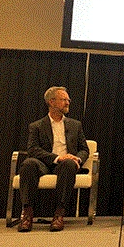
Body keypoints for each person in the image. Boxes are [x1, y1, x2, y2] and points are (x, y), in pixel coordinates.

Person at [17, 86, 89, 232]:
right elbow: (32, 149)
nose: (68, 102)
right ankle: (27, 213)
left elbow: (84, 149)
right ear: (51, 102)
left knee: (69, 164)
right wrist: (57, 157)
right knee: (28, 163)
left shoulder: (75, 125)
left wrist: (77, 158)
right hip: (44, 163)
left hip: (65, 165)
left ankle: (59, 213)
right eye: (63, 100)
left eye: (68, 100)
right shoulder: (36, 126)